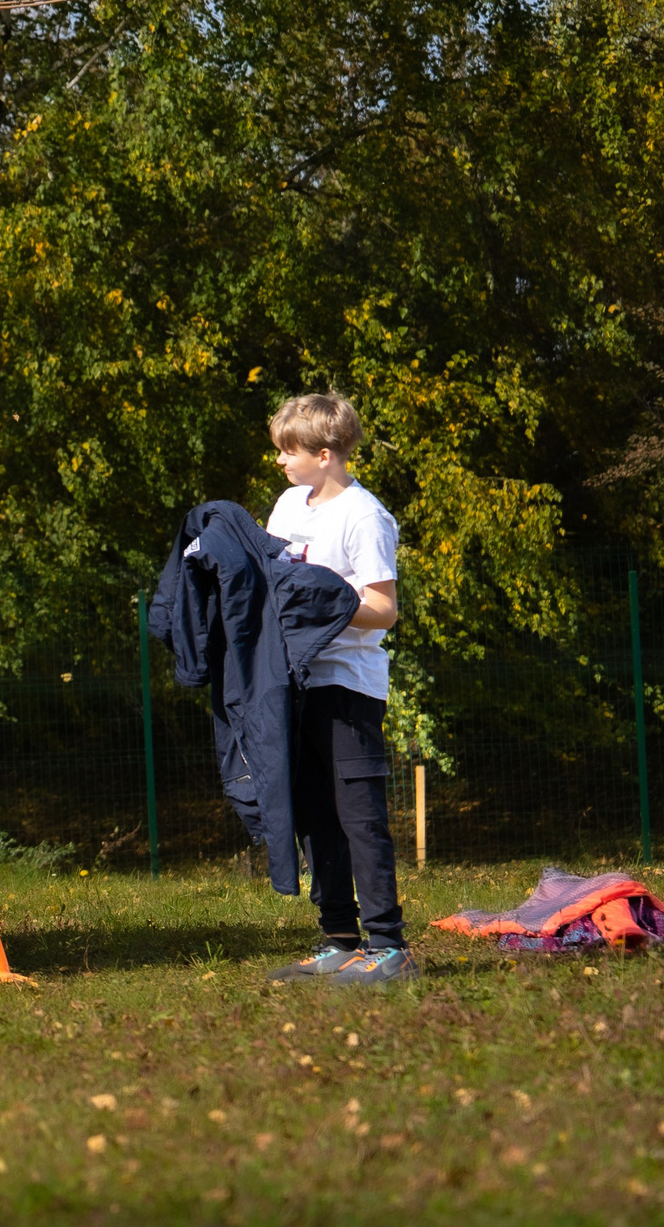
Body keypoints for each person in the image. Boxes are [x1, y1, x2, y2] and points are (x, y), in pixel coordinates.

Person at [259, 394, 412, 985]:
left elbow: (382, 607)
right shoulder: (288, 505)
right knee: (316, 816)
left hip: (349, 686)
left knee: (358, 816)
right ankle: (338, 941)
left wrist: (321, 604)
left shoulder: (364, 516)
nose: (280, 462)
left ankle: (389, 947)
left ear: (325, 455)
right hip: (296, 685)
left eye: (287, 451)